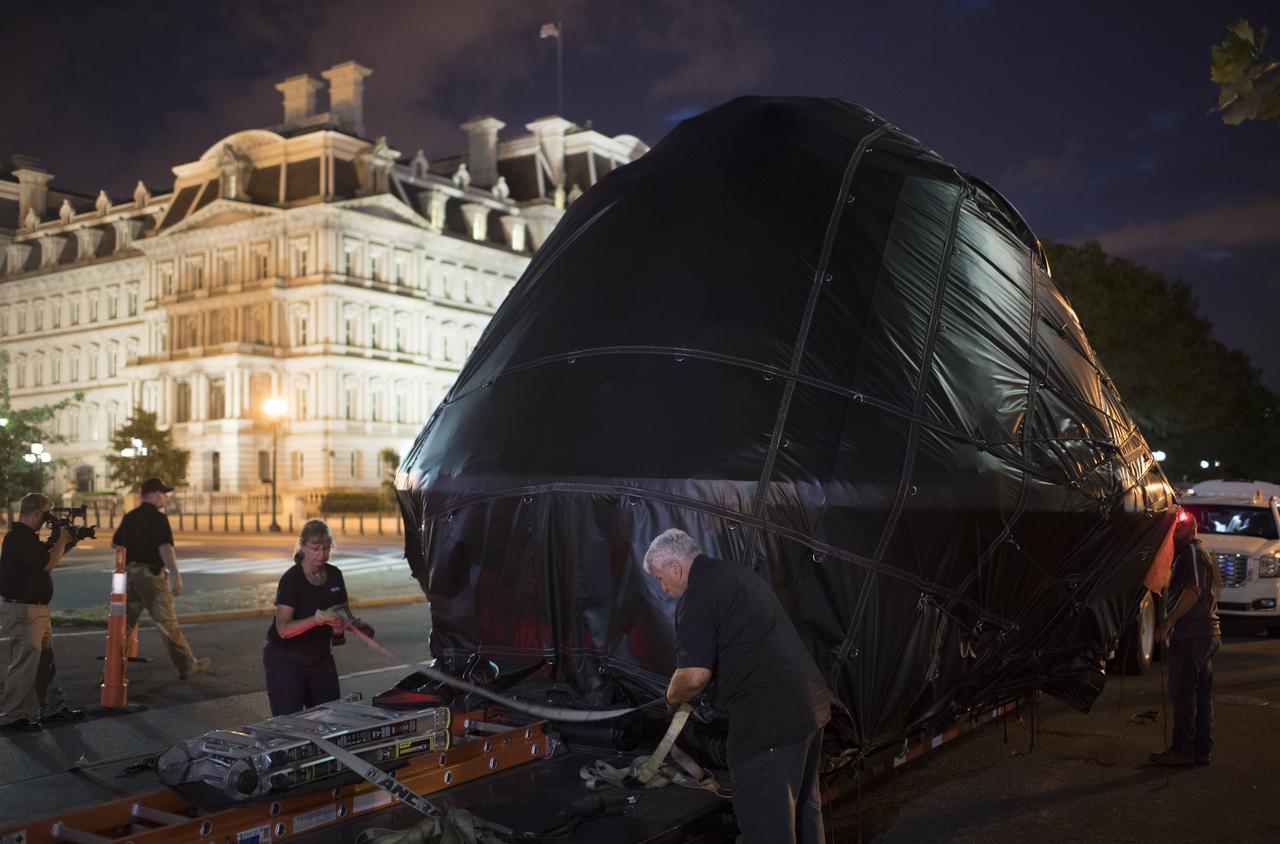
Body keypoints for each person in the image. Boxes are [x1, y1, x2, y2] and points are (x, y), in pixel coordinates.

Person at [644, 528, 834, 844]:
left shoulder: (698, 594)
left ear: (675, 568)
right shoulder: (734, 573)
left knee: (768, 827)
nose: (663, 588)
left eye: (660, 578)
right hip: (807, 709)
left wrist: (670, 696)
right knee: (804, 815)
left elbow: (694, 676)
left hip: (767, 723)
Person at [263, 519, 374, 715]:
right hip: (286, 660)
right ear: (303, 546)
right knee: (289, 722)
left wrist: (357, 627)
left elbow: (344, 614)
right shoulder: (292, 579)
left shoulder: (335, 575)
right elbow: (283, 629)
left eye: (326, 548)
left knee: (331, 717)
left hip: (320, 657)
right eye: (315, 549)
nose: (322, 555)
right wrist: (316, 619)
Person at [0, 493, 86, 731]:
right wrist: (62, 539)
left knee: (44, 662)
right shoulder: (18, 537)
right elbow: (48, 563)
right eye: (47, 514)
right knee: (25, 662)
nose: (50, 519)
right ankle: (13, 715)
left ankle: (53, 708)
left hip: (34, 608)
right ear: (36, 513)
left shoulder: (27, 537)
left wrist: (69, 541)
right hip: (24, 609)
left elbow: (47, 557)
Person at [113, 478, 210, 679]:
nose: (166, 498)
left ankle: (113, 672)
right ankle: (187, 666)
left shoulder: (130, 517)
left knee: (123, 626)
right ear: (155, 495)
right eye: (164, 494)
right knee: (167, 623)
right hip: (151, 577)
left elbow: (116, 544)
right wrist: (176, 575)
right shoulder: (158, 519)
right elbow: (165, 548)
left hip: (129, 576)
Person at [1150, 508, 1222, 767]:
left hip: (1193, 635)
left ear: (1192, 530)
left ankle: (1183, 749)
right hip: (1204, 634)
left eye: (1179, 528)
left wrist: (1169, 621)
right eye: (1174, 528)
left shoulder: (1192, 553)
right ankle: (1201, 750)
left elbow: (1194, 590)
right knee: (1201, 695)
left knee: (1183, 693)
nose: (1174, 533)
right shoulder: (1194, 554)